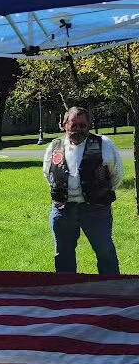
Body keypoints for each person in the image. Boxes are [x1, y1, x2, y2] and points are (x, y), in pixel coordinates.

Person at [43, 106, 123, 274]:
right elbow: (48, 173)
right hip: (63, 209)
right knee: (63, 254)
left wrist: (97, 193)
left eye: (83, 125)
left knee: (105, 251)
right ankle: (68, 291)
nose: (78, 129)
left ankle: (112, 290)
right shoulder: (54, 146)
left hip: (96, 209)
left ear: (89, 126)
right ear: (64, 124)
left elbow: (117, 176)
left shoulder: (104, 144)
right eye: (74, 125)